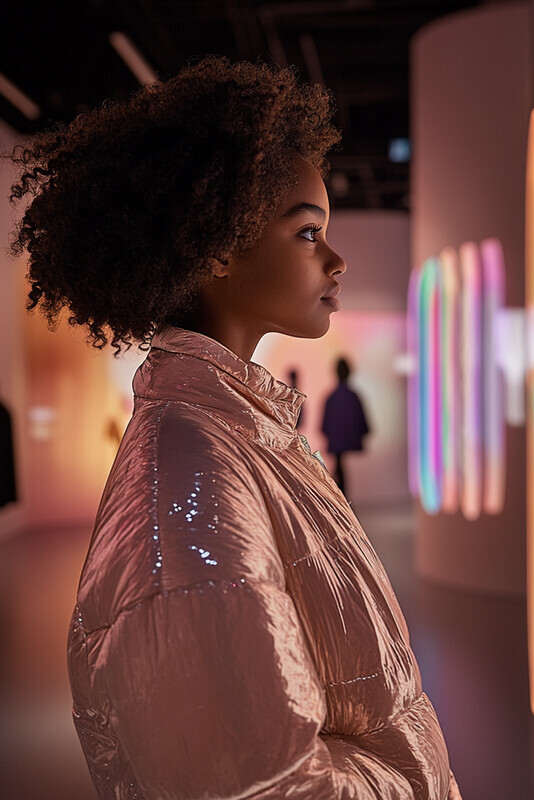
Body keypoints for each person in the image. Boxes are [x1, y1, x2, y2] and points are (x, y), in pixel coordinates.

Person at [8, 57, 460, 800]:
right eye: (308, 233)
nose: (337, 260)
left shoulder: (236, 431)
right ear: (217, 247)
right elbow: (265, 786)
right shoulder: (191, 467)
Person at [322, 357, 370, 497]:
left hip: (337, 443)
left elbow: (324, 426)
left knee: (339, 467)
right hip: (341, 443)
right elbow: (363, 424)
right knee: (339, 468)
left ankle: (341, 496)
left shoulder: (332, 398)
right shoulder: (352, 397)